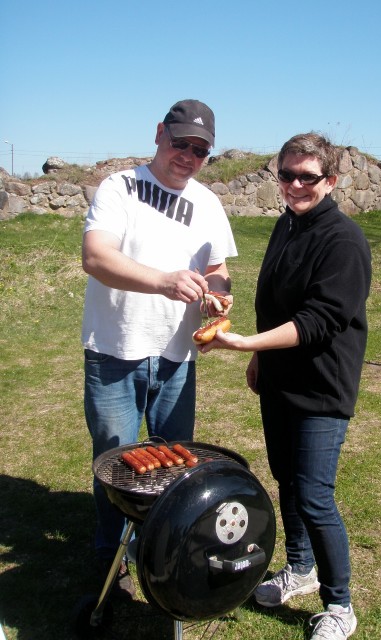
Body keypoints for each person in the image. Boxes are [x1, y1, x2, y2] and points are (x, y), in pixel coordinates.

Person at [199, 132, 371, 639]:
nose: (294, 184)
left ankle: (339, 606)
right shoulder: (287, 225)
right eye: (286, 174)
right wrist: (261, 363)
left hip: (321, 388)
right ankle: (300, 567)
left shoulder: (344, 240)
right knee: (287, 482)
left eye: (307, 177)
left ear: (331, 181)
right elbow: (273, 301)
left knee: (315, 495)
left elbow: (320, 320)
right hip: (279, 380)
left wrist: (249, 345)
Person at [81, 99, 237, 598]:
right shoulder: (119, 187)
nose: (188, 155)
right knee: (115, 461)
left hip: (176, 358)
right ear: (158, 134)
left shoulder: (209, 203)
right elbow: (96, 258)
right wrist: (164, 282)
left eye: (200, 149)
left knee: (176, 465)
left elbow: (218, 269)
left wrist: (217, 295)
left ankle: (164, 547)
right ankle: (112, 558)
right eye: (180, 143)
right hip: (114, 351)